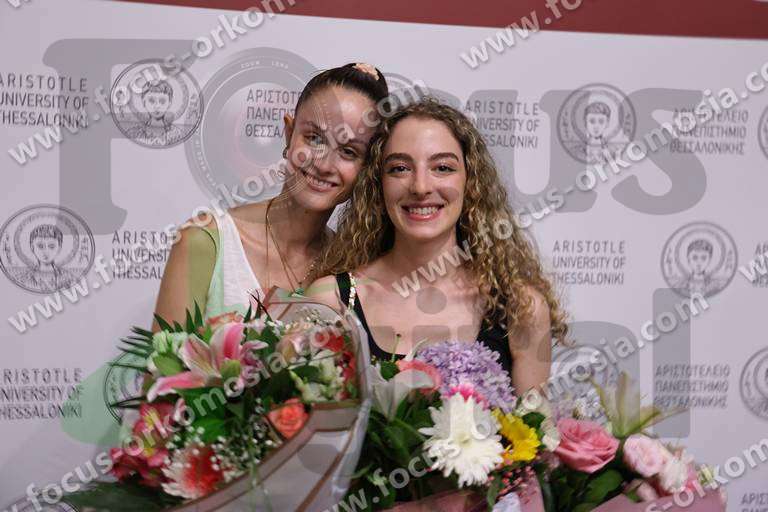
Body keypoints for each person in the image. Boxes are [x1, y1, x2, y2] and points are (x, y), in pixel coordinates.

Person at [308, 98, 567, 395]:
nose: (420, 187)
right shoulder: (331, 301)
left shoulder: (521, 308)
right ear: (378, 184)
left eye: (442, 167)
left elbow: (534, 424)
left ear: (471, 181)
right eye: (400, 168)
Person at [153, 63, 389, 328]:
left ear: (366, 167)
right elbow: (164, 355)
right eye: (314, 138)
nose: (324, 164)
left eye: (348, 151)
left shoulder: (350, 271)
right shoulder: (205, 240)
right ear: (289, 134)